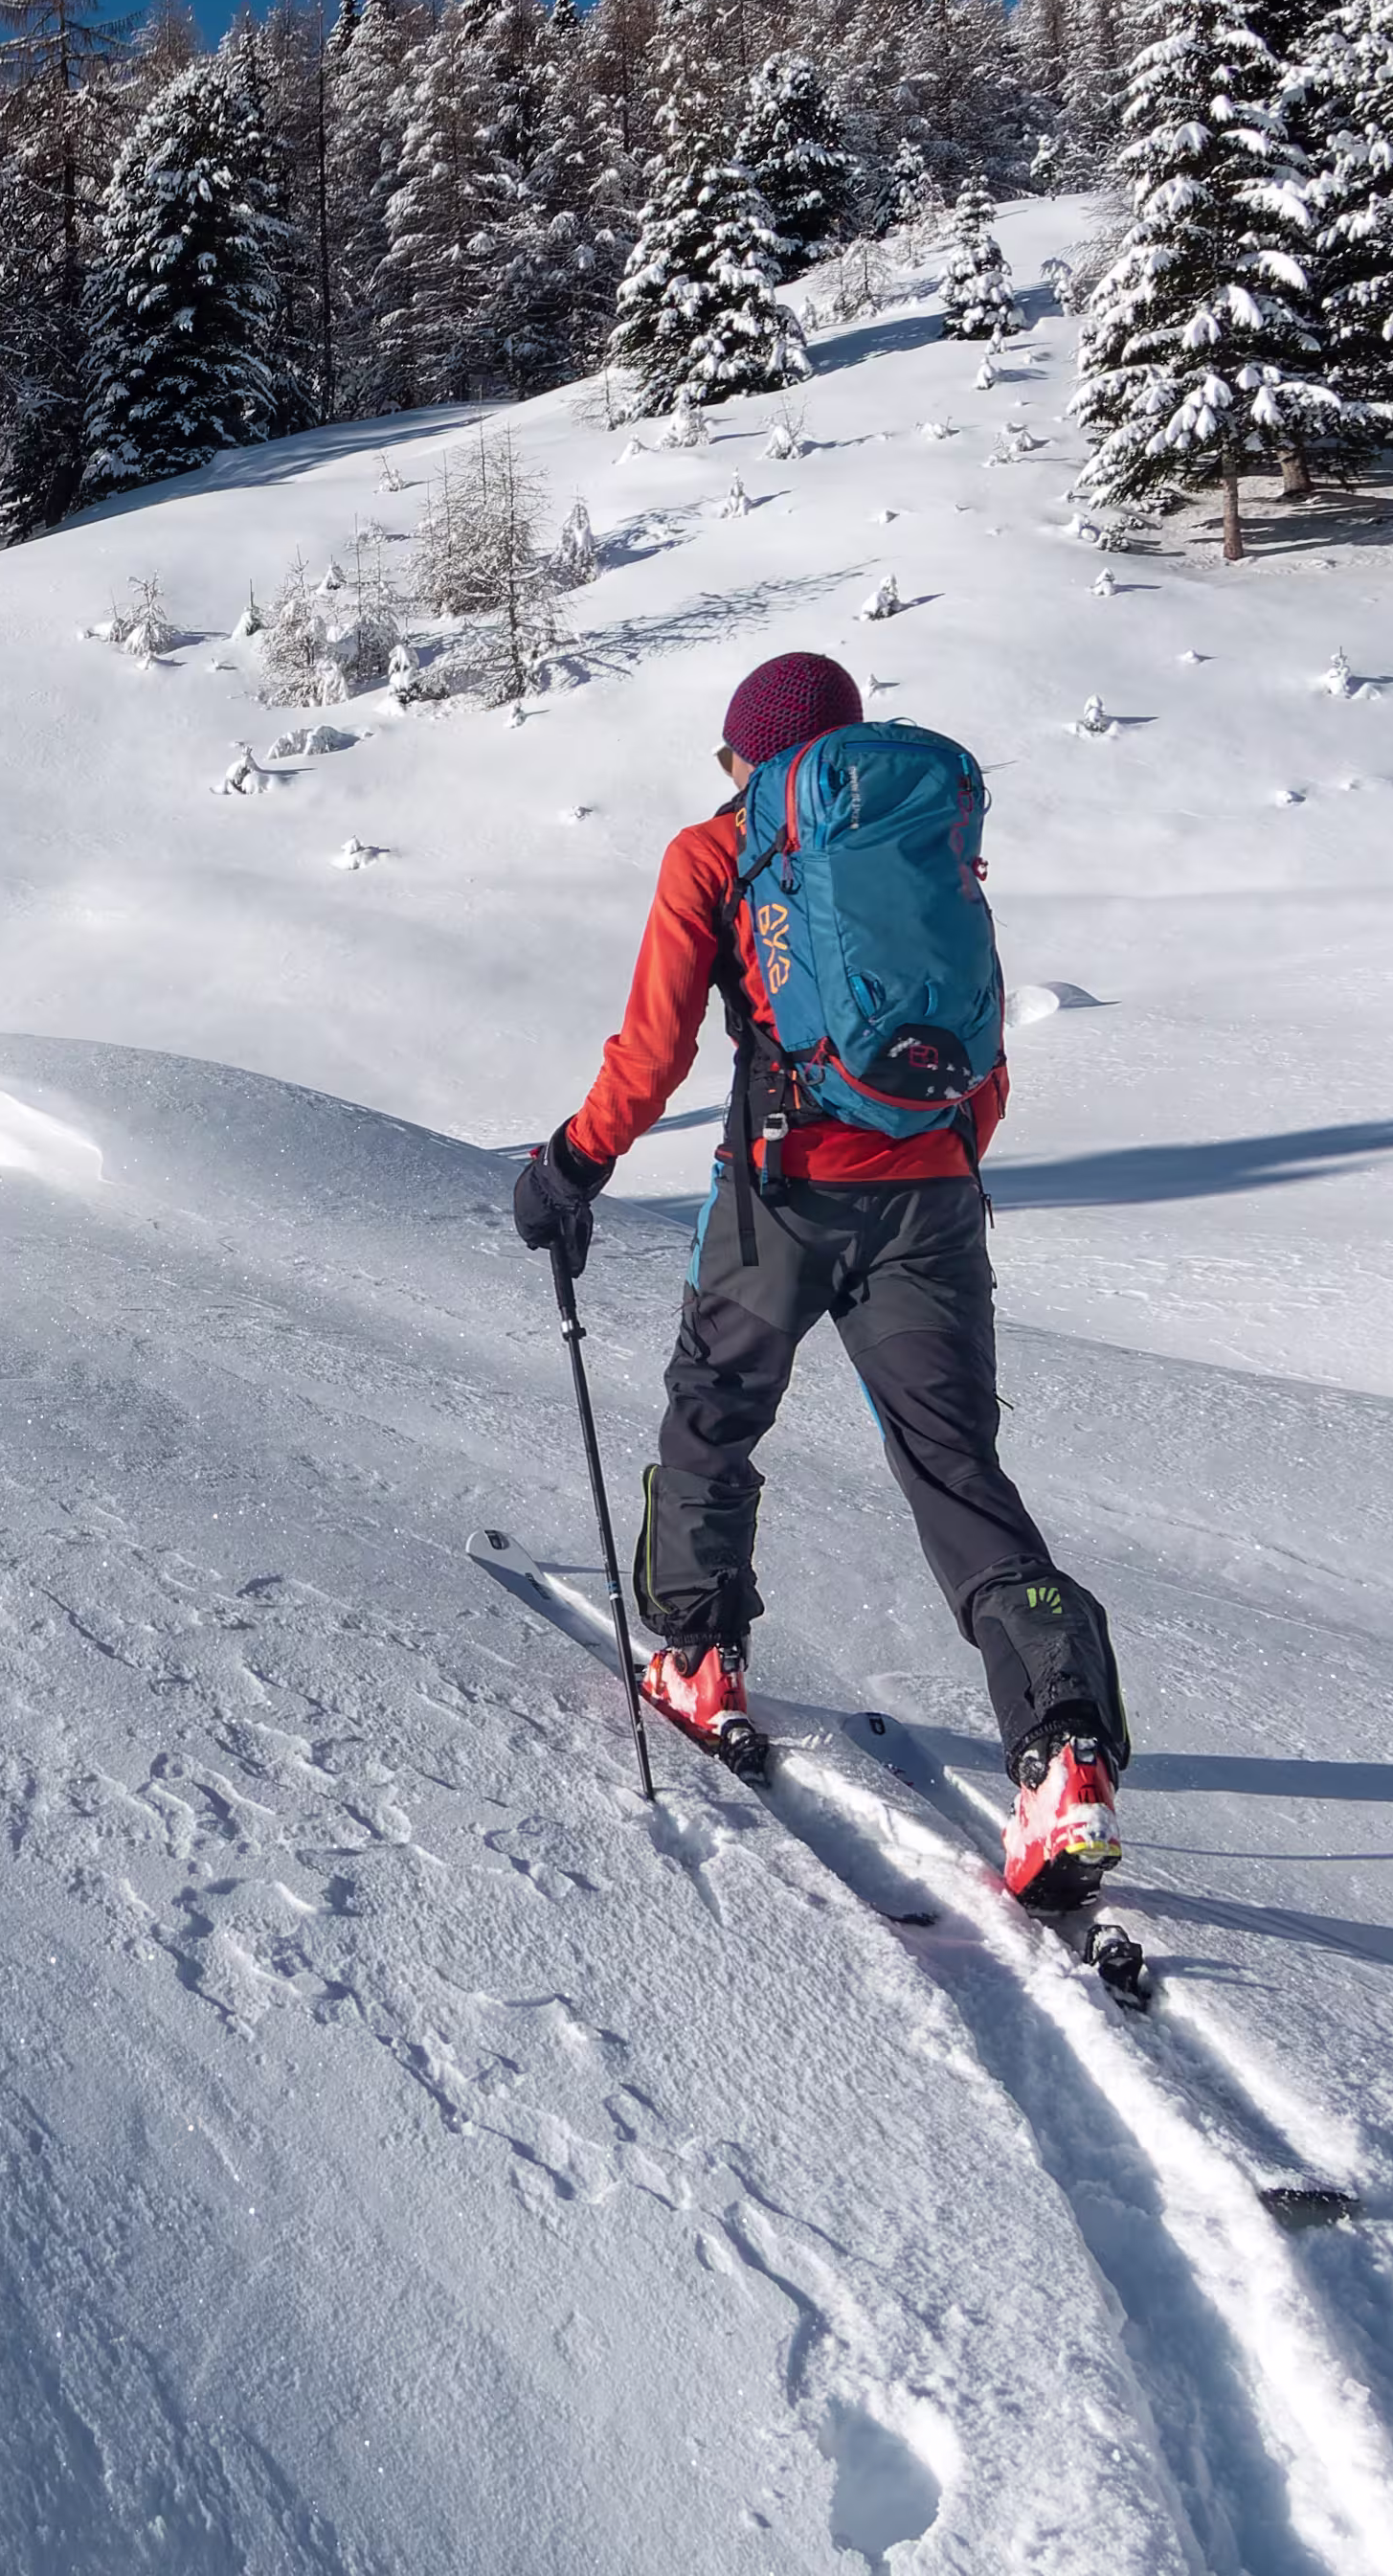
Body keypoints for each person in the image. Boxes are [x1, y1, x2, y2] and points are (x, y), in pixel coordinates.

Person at [506, 647, 1132, 1905]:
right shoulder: (932, 847)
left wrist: (572, 1166)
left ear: (753, 757)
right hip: (934, 1199)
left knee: (714, 1412)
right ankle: (1063, 1749)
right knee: (956, 1468)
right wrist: (934, 1170)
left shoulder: (716, 850)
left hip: (782, 1195)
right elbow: (982, 1050)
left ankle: (698, 1655)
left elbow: (654, 1050)